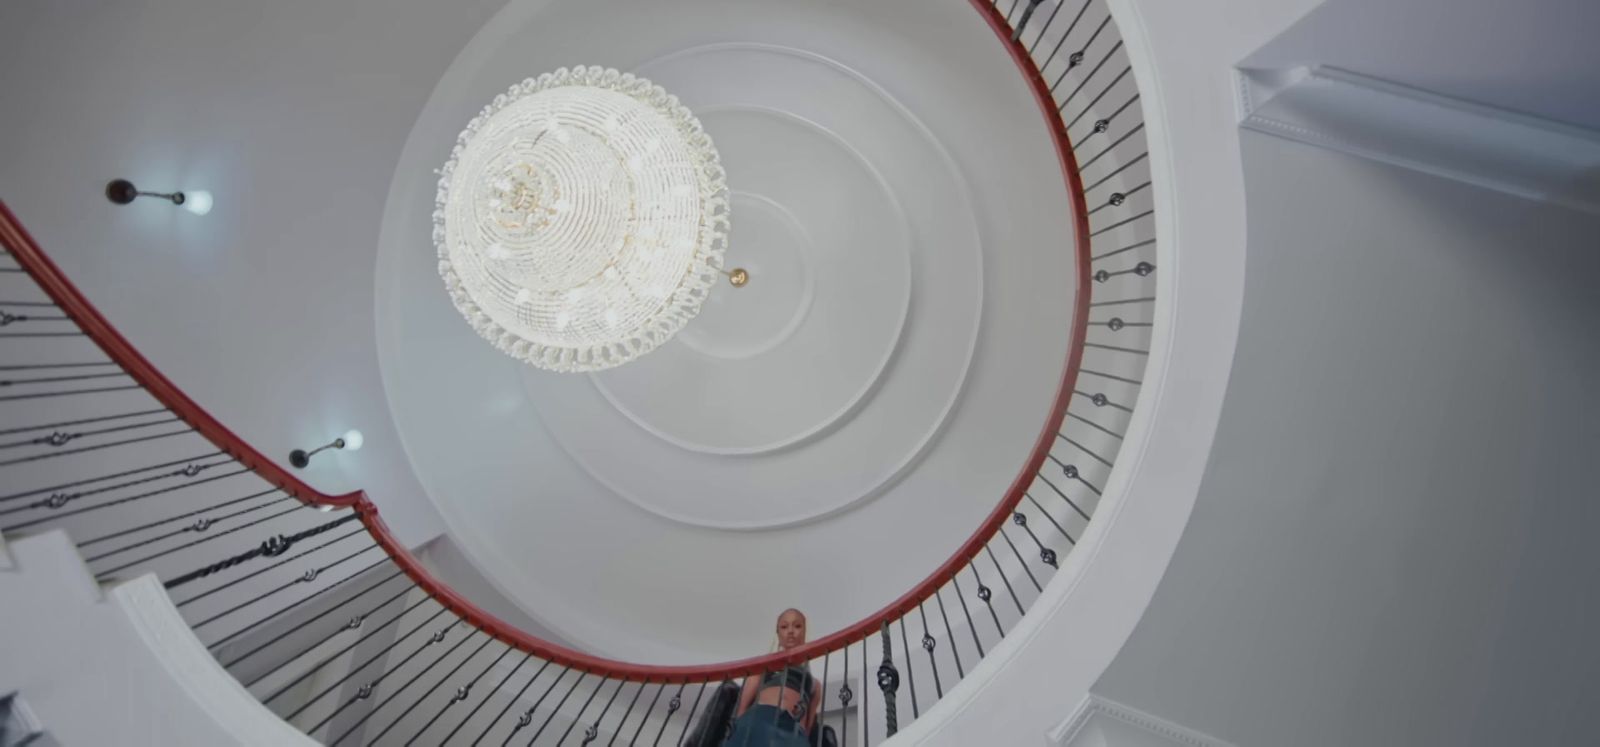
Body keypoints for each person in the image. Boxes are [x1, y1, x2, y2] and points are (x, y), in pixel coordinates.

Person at [724, 609, 823, 746]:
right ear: (778, 633)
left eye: (797, 626)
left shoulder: (815, 685)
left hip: (794, 730)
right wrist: (739, 728)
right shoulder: (766, 664)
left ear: (804, 631)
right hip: (761, 717)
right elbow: (742, 706)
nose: (790, 631)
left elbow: (808, 726)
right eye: (784, 626)